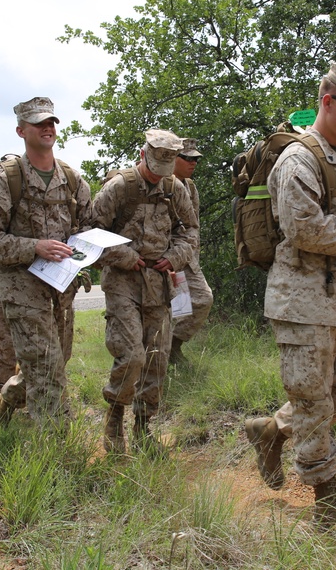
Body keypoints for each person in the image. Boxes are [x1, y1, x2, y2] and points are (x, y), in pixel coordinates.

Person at [243, 62, 336, 544]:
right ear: (328, 100)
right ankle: (329, 506)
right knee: (312, 398)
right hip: (302, 301)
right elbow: (303, 230)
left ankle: (271, 431)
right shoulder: (297, 161)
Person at [0, 97, 93, 424]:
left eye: (51, 122)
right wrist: (34, 247)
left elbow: (88, 224)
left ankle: (1, 403)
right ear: (20, 130)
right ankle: (59, 455)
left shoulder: (71, 178)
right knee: (46, 371)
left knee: (54, 361)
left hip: (60, 290)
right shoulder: (5, 180)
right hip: (21, 292)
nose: (47, 127)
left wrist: (86, 247)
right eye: (39, 123)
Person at [92, 128, 197, 454]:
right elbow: (88, 234)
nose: (159, 177)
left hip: (159, 282)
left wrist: (174, 257)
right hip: (123, 281)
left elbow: (190, 230)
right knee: (132, 355)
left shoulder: (174, 188)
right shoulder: (119, 187)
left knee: (156, 359)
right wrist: (125, 256)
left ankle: (143, 428)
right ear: (142, 155)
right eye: (154, 169)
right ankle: (114, 419)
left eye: (166, 170)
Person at [168, 137, 214, 365]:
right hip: (164, 259)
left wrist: (192, 257)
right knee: (170, 308)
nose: (192, 163)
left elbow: (193, 225)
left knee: (202, 300)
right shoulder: (162, 183)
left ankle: (173, 345)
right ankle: (158, 356)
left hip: (186, 258)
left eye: (195, 159)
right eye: (186, 158)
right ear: (173, 158)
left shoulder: (190, 187)